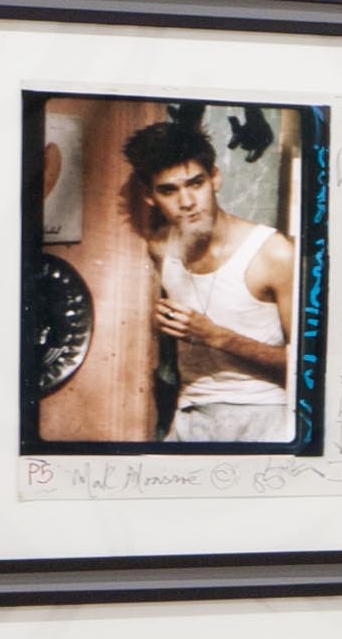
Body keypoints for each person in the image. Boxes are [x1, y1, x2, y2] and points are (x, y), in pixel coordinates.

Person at [122, 115, 303, 445]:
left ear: (215, 178)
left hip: (263, 416)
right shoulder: (160, 248)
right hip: (190, 416)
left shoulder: (272, 253)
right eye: (169, 191)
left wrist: (216, 336)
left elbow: (309, 365)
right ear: (150, 197)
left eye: (196, 183)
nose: (187, 202)